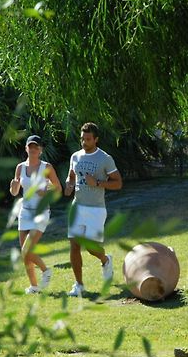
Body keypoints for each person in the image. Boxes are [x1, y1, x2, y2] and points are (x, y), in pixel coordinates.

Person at [64, 122, 123, 296]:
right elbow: (71, 176)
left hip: (96, 208)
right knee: (74, 245)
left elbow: (118, 183)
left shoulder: (105, 158)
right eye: (82, 138)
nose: (84, 142)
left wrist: (97, 183)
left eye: (88, 139)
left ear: (96, 139)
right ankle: (79, 285)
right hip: (77, 207)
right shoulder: (75, 156)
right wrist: (69, 184)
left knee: (91, 248)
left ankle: (105, 260)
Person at [10, 135, 62, 294]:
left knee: (27, 250)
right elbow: (14, 192)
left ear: (40, 150)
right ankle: (34, 287)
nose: (33, 149)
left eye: (36, 147)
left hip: (41, 212)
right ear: (26, 148)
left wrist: (45, 190)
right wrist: (14, 186)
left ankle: (46, 271)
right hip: (25, 212)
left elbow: (58, 188)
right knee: (25, 254)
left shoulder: (46, 167)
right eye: (30, 146)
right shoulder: (20, 167)